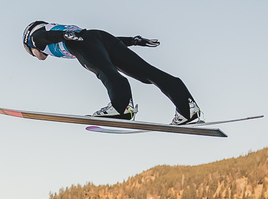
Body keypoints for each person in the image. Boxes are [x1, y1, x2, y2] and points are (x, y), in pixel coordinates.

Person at [22, 21, 202, 124]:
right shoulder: (54, 31)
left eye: (29, 52)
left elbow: (41, 37)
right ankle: (187, 109)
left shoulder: (35, 39)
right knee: (148, 73)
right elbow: (102, 42)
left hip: (81, 43)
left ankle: (121, 108)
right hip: (101, 38)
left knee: (105, 71)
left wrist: (64, 36)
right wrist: (134, 40)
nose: (35, 56)